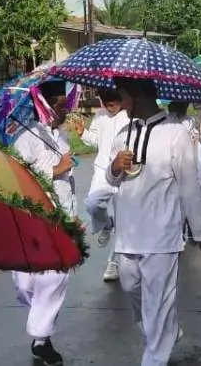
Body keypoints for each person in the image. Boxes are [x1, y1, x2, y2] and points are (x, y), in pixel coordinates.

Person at [107, 78, 201, 366]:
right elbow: (111, 179)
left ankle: (154, 358)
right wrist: (115, 167)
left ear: (139, 95)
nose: (122, 103)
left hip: (162, 233)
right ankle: (165, 328)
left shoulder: (175, 134)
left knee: (159, 300)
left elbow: (190, 184)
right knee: (130, 287)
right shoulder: (123, 134)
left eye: (124, 97)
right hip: (128, 231)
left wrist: (200, 229)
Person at [11, 80, 76, 366]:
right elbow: (17, 178)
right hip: (31, 216)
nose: (66, 108)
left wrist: (73, 215)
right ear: (45, 103)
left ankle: (41, 337)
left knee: (55, 277)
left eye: (67, 102)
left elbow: (68, 183)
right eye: (61, 103)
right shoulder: (24, 139)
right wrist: (54, 169)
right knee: (26, 282)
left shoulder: (61, 138)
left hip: (60, 217)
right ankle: (40, 326)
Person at [83, 88, 130, 282]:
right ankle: (105, 224)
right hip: (102, 169)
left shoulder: (129, 116)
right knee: (92, 203)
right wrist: (83, 133)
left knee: (123, 216)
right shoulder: (100, 117)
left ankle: (114, 262)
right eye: (107, 105)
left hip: (124, 170)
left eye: (114, 104)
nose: (111, 108)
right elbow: (95, 141)